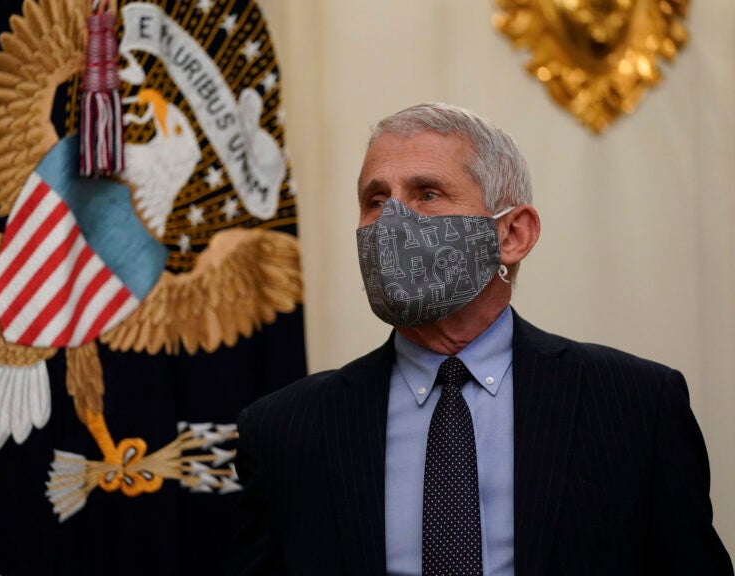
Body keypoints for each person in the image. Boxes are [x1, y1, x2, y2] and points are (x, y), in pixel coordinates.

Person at [228, 103, 733, 575]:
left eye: (427, 194)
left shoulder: (635, 407)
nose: (391, 224)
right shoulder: (284, 430)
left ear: (513, 234)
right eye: (375, 200)